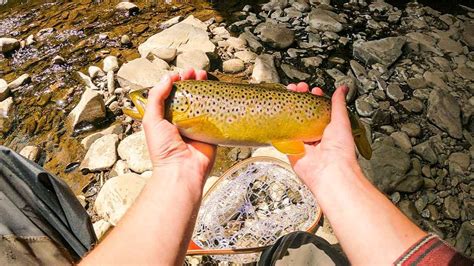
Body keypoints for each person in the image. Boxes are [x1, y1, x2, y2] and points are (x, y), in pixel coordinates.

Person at [75, 69, 469, 265]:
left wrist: (334, 165)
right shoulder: (185, 115)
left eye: (148, 100)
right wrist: (177, 167)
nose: (143, 105)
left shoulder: (187, 108)